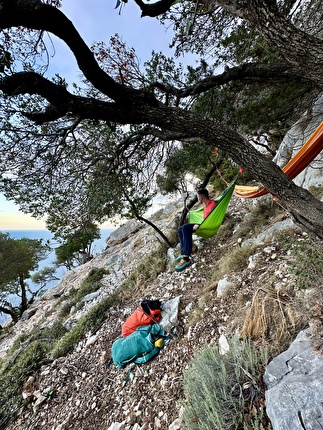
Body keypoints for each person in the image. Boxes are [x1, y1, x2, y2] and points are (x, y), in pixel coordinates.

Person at [175, 188, 217, 272]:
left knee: (186, 227)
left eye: (198, 197)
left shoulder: (212, 204)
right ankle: (183, 252)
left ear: (201, 197)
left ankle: (186, 258)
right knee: (180, 228)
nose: (198, 199)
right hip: (203, 225)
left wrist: (199, 225)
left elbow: (211, 219)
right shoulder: (205, 207)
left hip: (207, 226)